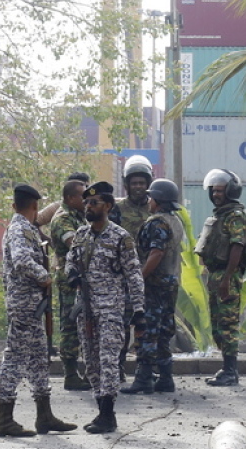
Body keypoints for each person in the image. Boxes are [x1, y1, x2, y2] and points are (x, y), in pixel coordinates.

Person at [0, 185, 76, 437]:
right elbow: (21, 260)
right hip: (24, 303)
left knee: (40, 358)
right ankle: (4, 418)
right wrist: (44, 276)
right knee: (16, 358)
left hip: (33, 305)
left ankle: (45, 415)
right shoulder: (19, 228)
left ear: (14, 205)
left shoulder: (25, 228)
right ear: (35, 206)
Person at [65, 181, 145, 434]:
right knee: (91, 362)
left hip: (110, 309)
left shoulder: (120, 237)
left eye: (94, 203)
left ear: (107, 206)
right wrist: (72, 274)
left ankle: (108, 414)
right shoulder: (81, 235)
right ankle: (101, 409)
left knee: (109, 361)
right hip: (86, 309)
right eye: (86, 203)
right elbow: (70, 261)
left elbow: (133, 274)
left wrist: (139, 310)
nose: (88, 207)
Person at [122, 178, 184, 395]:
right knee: (165, 329)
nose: (147, 200)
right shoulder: (175, 221)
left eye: (151, 197)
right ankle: (166, 378)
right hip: (171, 283)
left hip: (155, 285)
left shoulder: (157, 223)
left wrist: (139, 278)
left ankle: (144, 378)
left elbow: (156, 253)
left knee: (148, 330)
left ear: (157, 200)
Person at [196, 168, 246, 387]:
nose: (217, 194)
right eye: (214, 191)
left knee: (228, 324)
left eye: (220, 191)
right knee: (218, 324)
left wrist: (227, 279)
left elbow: (237, 247)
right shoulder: (221, 216)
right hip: (216, 274)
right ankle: (226, 368)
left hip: (228, 275)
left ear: (230, 191)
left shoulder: (235, 216)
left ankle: (231, 370)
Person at [49, 179, 92, 391]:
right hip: (69, 280)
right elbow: (74, 244)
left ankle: (86, 372)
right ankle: (70, 373)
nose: (85, 201)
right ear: (69, 198)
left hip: (83, 279)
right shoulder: (63, 219)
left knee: (84, 326)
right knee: (70, 325)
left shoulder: (80, 217)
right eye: (81, 196)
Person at [115, 155, 155, 380]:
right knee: (121, 325)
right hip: (124, 278)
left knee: (146, 325)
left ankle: (145, 371)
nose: (138, 187)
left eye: (142, 182)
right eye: (134, 183)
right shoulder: (117, 209)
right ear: (127, 184)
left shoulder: (155, 208)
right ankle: (117, 368)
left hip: (150, 276)